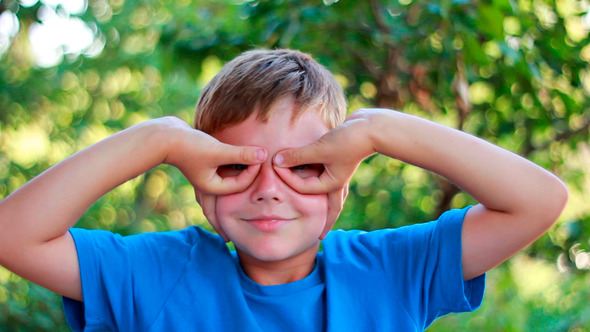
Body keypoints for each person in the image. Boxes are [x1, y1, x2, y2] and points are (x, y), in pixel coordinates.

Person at [0, 49, 568, 331]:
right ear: (201, 185)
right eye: (237, 168)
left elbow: (539, 200)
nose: (270, 191)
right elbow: (11, 235)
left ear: (340, 185)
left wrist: (376, 129)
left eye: (302, 168)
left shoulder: (392, 271)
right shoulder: (154, 274)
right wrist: (160, 139)